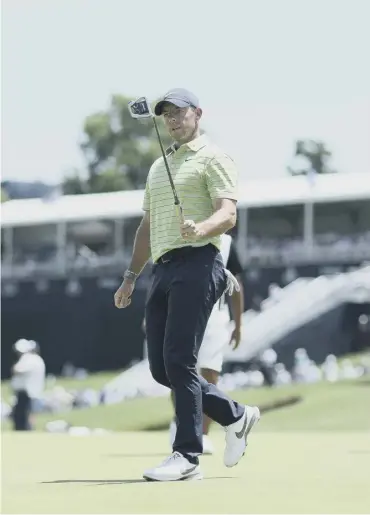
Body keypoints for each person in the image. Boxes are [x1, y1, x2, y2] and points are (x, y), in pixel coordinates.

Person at [114, 88, 260, 482]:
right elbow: (146, 227)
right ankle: (237, 415)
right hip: (162, 268)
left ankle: (187, 456)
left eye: (179, 113)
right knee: (163, 369)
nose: (173, 121)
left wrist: (202, 228)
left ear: (198, 113)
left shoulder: (215, 157)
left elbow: (227, 214)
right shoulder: (158, 167)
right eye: (166, 116)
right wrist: (131, 276)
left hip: (199, 262)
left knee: (181, 361)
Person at [168, 233, 245, 454]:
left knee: (210, 375)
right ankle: (183, 425)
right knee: (180, 373)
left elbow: (237, 284)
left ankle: (202, 434)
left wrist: (238, 325)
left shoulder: (228, 242)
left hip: (216, 319)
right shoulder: (181, 236)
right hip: (184, 314)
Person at [10, 339, 46, 431]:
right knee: (28, 416)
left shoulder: (30, 358)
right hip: (33, 392)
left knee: (23, 418)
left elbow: (18, 369)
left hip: (26, 393)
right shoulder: (38, 360)